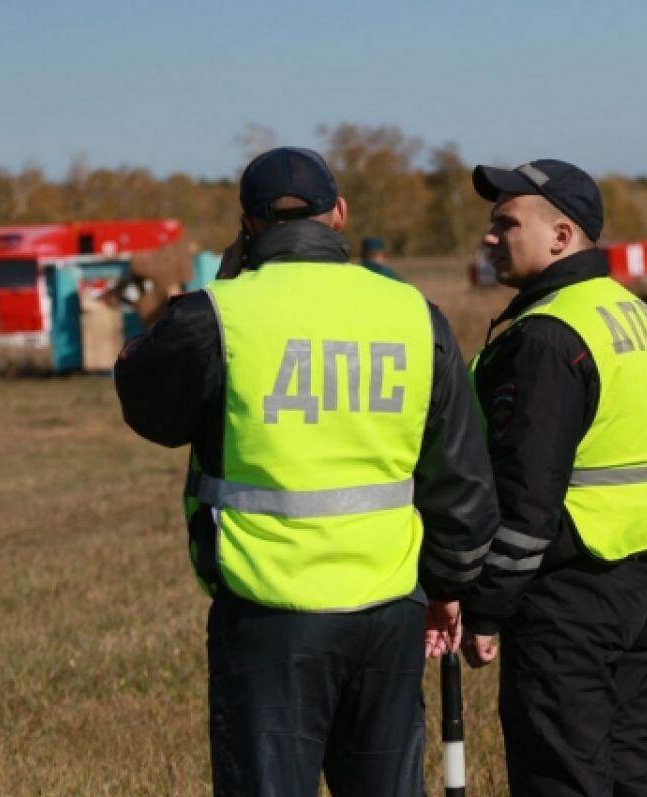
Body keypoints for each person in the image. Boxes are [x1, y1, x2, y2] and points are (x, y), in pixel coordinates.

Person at [114, 146, 498, 796]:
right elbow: (461, 481)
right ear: (340, 214)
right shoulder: (414, 314)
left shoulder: (220, 314)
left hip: (269, 615)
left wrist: (231, 280)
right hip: (388, 613)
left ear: (248, 225)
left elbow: (146, 399)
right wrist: (447, 584)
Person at [459, 159, 647, 796]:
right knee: (631, 767)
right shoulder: (645, 322)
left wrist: (485, 611)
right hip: (639, 587)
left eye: (506, 223)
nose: (490, 236)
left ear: (561, 237)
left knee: (563, 777)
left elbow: (525, 501)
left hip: (566, 600)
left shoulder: (547, 337)